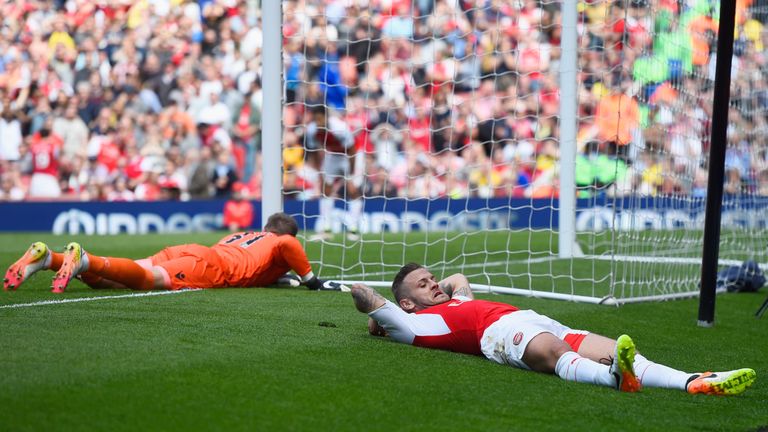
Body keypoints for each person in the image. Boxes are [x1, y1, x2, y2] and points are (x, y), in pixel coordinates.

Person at [349, 263, 757, 396]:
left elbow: (456, 278)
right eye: (423, 284)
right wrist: (380, 320)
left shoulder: (454, 299)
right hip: (498, 334)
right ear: (405, 303)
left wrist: (435, 287)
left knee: (617, 346)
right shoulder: (414, 324)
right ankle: (613, 377)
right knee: (557, 355)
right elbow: (362, 292)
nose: (434, 283)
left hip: (533, 317)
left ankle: (692, 381)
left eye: (430, 278)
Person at [4, 213, 343, 294]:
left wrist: (279, 277)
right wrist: (310, 279)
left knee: (112, 282)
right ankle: (87, 260)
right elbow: (287, 246)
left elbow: (265, 266)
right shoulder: (280, 242)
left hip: (197, 250)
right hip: (211, 267)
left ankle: (50, 259)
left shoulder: (245, 234)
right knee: (149, 280)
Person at [304, 105, 362, 241]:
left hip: (350, 156)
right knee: (326, 189)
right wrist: (319, 170)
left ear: (326, 117)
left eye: (320, 119)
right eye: (316, 119)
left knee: (352, 189)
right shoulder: (312, 130)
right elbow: (313, 152)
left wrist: (352, 170)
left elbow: (352, 149)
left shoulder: (340, 128)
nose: (318, 123)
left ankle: (353, 229)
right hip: (332, 156)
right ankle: (327, 229)